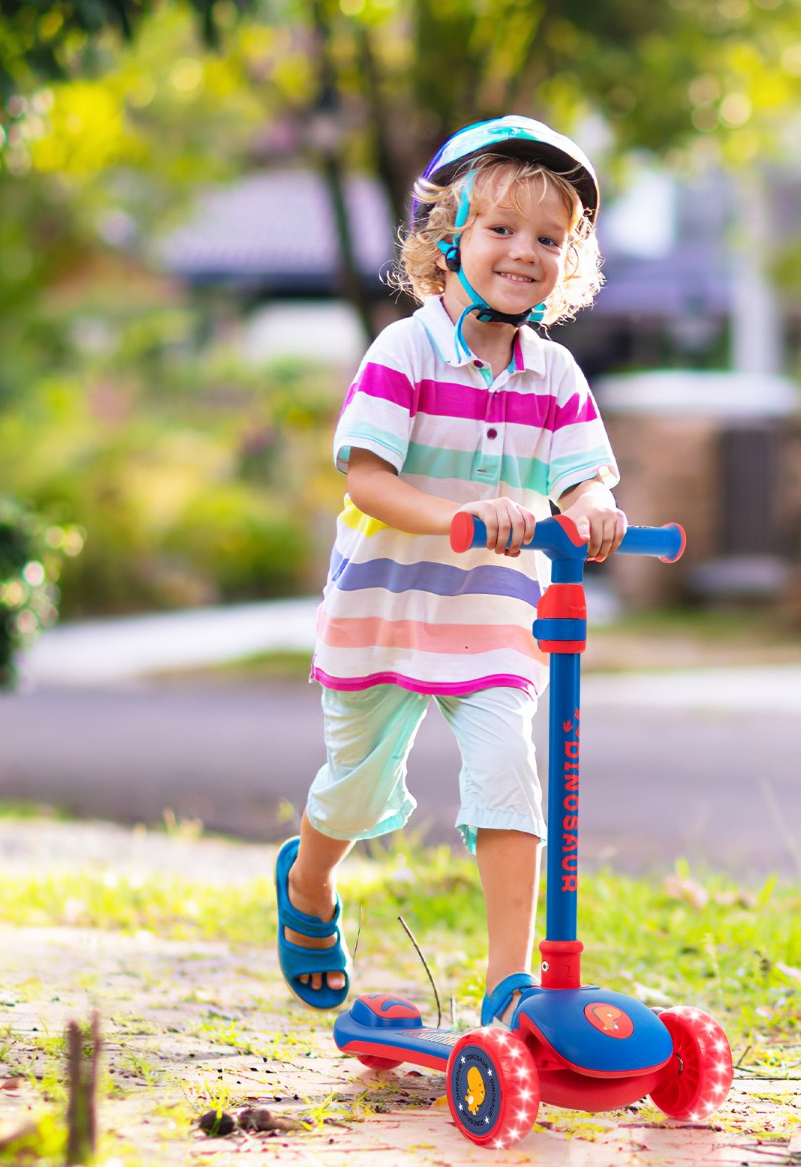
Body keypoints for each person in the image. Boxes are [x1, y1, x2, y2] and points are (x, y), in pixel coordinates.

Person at [274, 116, 626, 1026]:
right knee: (354, 788)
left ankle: (509, 987)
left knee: (511, 774)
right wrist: (459, 518)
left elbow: (582, 473)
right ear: (448, 240)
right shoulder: (405, 351)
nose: (525, 252)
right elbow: (368, 479)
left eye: (549, 239)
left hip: (494, 615)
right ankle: (309, 883)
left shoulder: (555, 373)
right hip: (383, 608)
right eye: (501, 229)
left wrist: (592, 507)